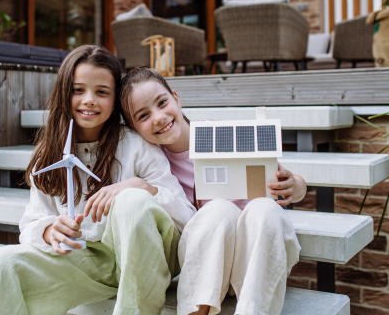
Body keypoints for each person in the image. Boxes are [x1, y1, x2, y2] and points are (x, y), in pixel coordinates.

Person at [0, 46, 196, 315]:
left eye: (101, 92)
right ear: (64, 93)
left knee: (131, 200)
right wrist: (49, 230)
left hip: (149, 258)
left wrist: (142, 187)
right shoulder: (48, 154)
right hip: (87, 260)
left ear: (115, 102)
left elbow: (185, 218)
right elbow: (30, 224)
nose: (89, 100)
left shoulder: (137, 146)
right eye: (78, 90)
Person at [119, 67, 307, 315]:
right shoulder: (152, 163)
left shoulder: (218, 134)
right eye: (143, 116)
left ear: (176, 98)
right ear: (134, 128)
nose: (158, 117)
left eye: (162, 103)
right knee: (218, 208)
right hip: (209, 261)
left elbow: (290, 181)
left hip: (256, 255)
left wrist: (294, 185)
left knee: (265, 207)